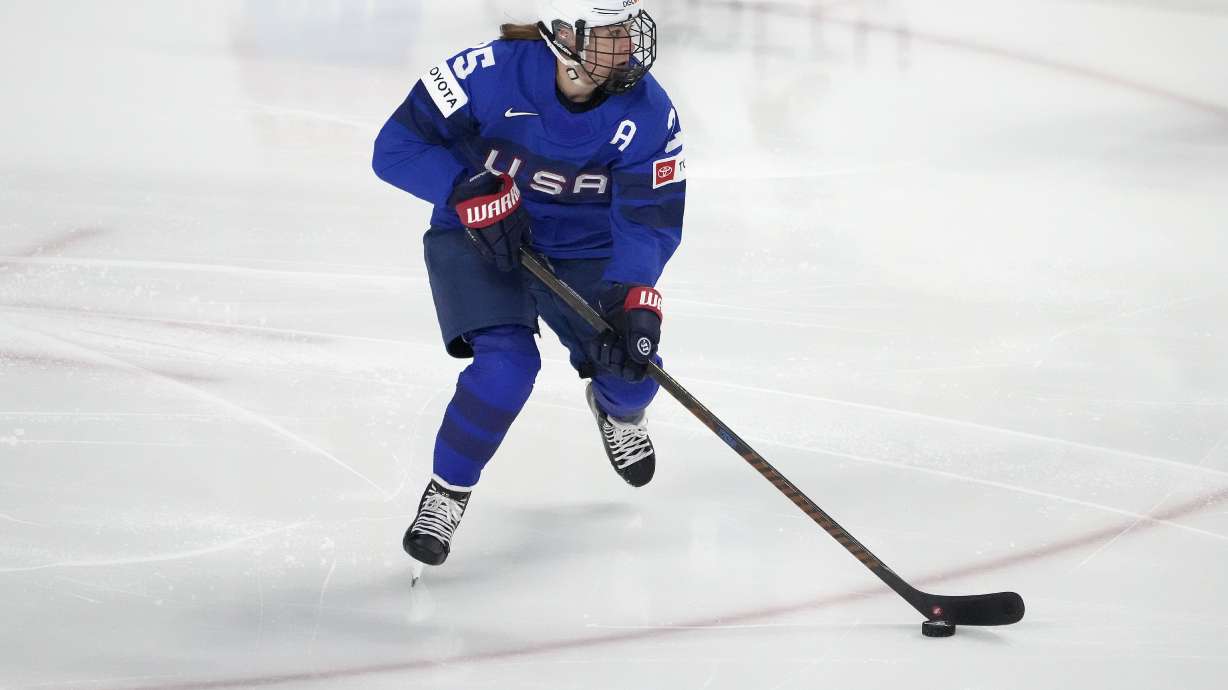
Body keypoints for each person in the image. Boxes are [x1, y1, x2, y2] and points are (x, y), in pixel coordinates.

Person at [372, 0, 685, 570]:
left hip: (586, 250)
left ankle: (619, 411)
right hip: (479, 238)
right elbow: (394, 149)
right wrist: (465, 188)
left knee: (634, 373)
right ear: (562, 34)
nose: (626, 48)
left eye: (627, 32)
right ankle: (448, 492)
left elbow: (650, 216)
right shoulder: (486, 74)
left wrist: (634, 297)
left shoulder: (649, 110)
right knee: (506, 369)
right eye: (608, 35)